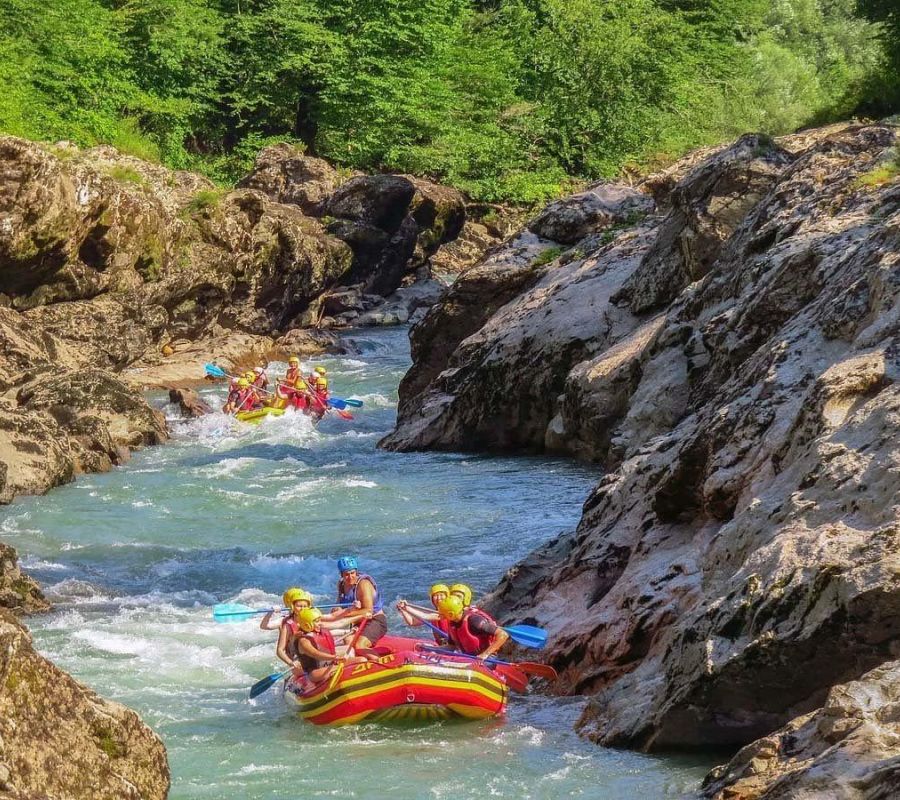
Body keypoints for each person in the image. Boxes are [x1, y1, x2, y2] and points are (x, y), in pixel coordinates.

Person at [292, 607, 369, 687]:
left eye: (320, 620)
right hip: (315, 672)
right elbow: (315, 654)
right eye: (317, 621)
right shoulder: (303, 641)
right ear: (307, 624)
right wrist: (334, 657)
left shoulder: (319, 629)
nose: (320, 623)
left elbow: (340, 623)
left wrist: (361, 617)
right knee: (338, 670)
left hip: (332, 664)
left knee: (362, 660)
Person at [332, 556, 388, 648]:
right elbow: (338, 606)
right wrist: (336, 610)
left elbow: (368, 611)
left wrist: (343, 614)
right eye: (346, 574)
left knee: (359, 646)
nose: (350, 577)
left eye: (352, 573)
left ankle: (376, 661)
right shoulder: (341, 585)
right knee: (347, 641)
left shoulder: (363, 584)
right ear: (341, 574)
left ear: (356, 571)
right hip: (358, 622)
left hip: (375, 620)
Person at [436, 595, 509, 661]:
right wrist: (435, 650)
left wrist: (485, 654)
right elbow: (452, 646)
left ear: (451, 614)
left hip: (488, 659)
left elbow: (503, 634)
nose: (440, 616)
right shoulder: (452, 623)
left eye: (442, 614)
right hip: (469, 657)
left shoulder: (474, 620)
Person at [266, 587, 314, 668]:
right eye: (299, 606)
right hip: (296, 656)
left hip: (311, 653)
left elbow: (334, 621)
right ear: (292, 606)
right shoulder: (285, 622)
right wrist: (270, 612)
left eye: (305, 606)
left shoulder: (312, 618)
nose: (302, 609)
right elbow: (279, 650)